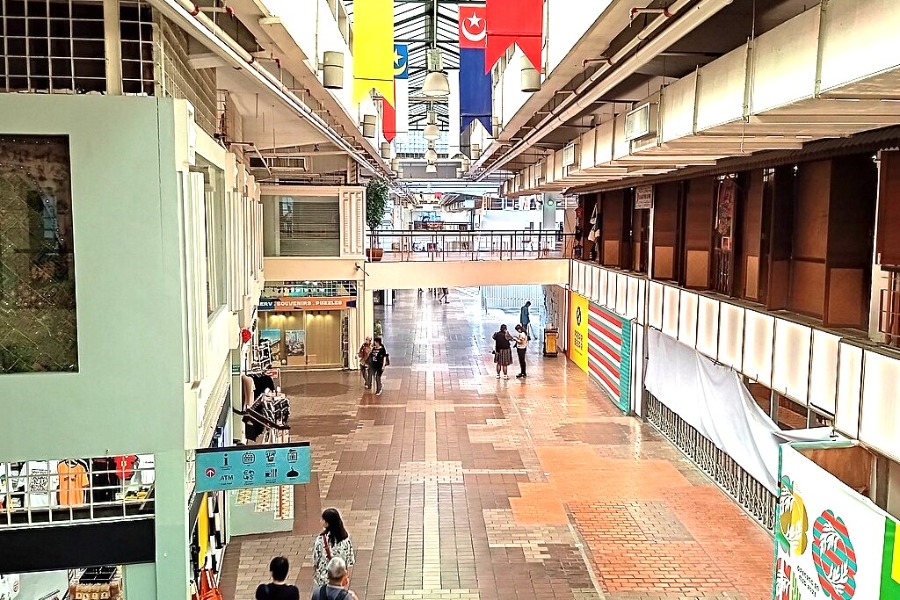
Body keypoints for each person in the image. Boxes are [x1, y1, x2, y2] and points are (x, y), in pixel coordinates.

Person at [311, 508, 356, 591]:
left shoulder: (321, 540)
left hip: (324, 580)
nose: (321, 521)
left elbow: (315, 560)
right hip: (339, 580)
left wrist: (315, 572)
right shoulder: (346, 540)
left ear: (327, 523)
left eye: (323, 519)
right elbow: (350, 562)